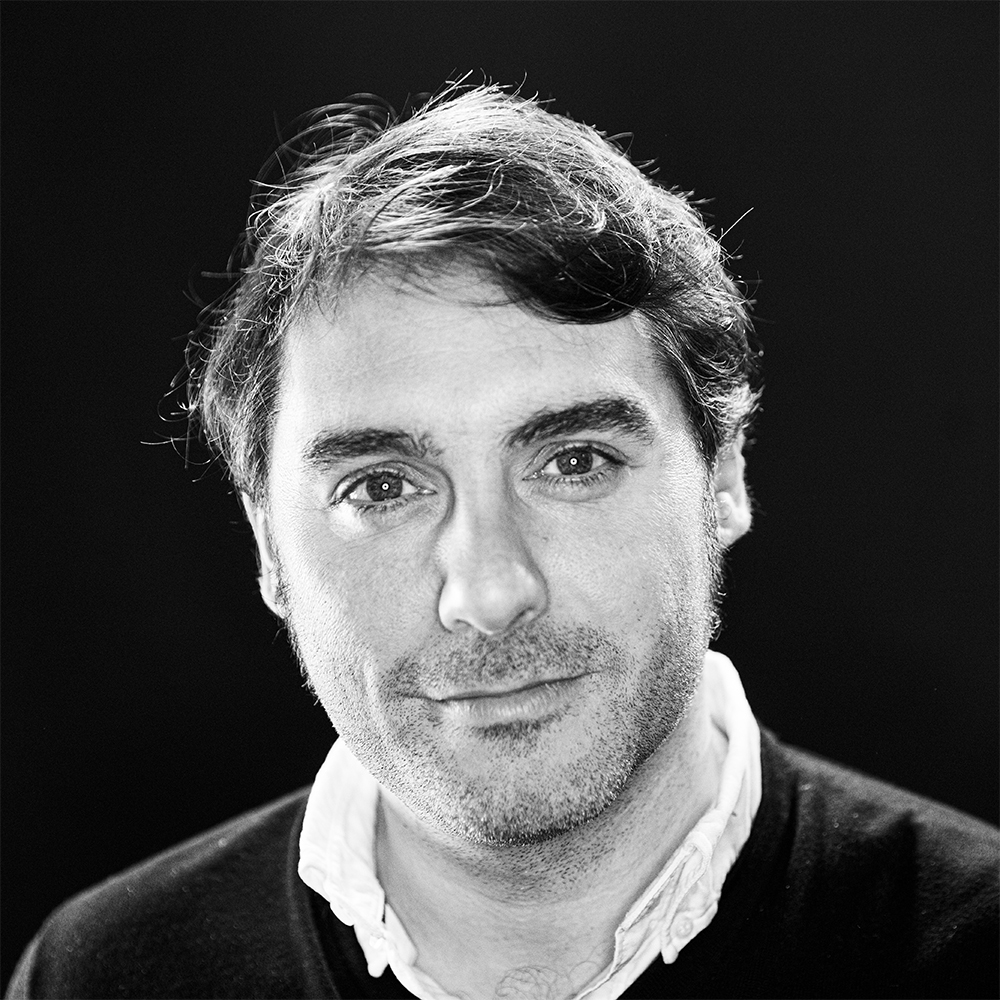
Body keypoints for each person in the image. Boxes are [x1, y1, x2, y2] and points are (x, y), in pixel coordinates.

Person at [7, 83, 998, 1000]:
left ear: (723, 480)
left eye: (574, 462)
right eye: (380, 486)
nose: (488, 592)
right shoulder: (100, 977)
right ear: (269, 547)